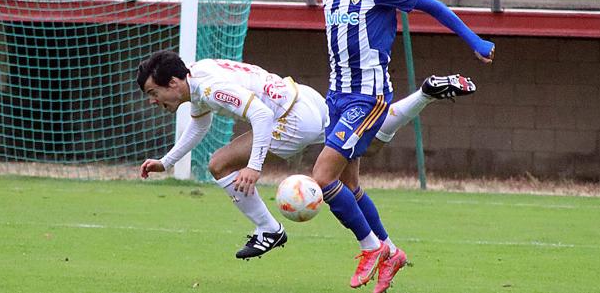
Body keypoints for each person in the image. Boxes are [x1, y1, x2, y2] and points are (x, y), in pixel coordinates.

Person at [136, 50, 476, 263]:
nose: (153, 101)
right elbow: (199, 124)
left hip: (289, 118)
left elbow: (262, 117)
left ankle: (269, 229)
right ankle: (423, 95)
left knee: (219, 163)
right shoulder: (198, 75)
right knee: (363, 156)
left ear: (176, 82)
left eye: (154, 93)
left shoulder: (211, 88)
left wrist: (254, 167)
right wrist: (166, 162)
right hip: (304, 97)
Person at [313, 0, 496, 292]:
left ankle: (370, 248)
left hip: (368, 96)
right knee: (349, 183)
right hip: (337, 94)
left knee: (322, 178)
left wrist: (474, 41)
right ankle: (392, 252)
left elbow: (432, 5)